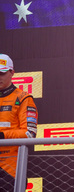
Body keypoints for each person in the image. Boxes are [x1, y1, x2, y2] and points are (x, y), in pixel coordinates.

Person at [0, 54, 38, 191]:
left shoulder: (23, 98)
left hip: (10, 169)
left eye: (2, 73)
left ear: (12, 73)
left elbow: (29, 133)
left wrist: (3, 136)